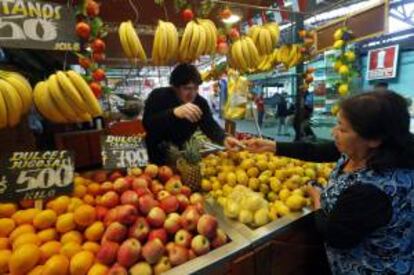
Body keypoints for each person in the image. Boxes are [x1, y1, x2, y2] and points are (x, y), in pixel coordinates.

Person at [235, 90, 414, 274]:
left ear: (374, 139)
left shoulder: (374, 190)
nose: (333, 132)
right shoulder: (360, 150)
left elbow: (335, 235)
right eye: (337, 124)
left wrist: (318, 198)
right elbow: (317, 151)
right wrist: (273, 146)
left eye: (343, 129)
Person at [143, 63, 241, 164]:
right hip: (155, 153)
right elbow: (147, 124)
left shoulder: (200, 102)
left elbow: (209, 125)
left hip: (181, 153)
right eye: (187, 88)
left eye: (195, 88)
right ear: (175, 87)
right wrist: (173, 113)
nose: (192, 94)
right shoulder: (158, 96)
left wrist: (224, 138)